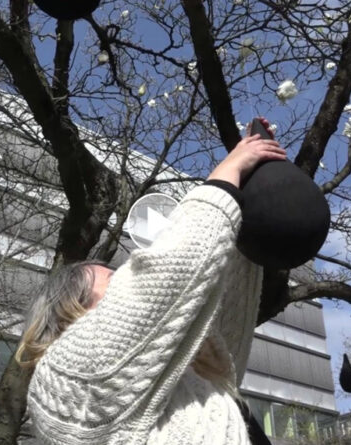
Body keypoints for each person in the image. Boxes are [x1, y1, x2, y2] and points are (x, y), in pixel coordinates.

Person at [16, 119, 286, 444]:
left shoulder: (184, 377)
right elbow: (170, 271)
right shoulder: (64, 377)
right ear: (71, 312)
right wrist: (228, 171)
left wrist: (251, 181)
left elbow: (223, 314)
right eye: (115, 283)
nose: (128, 284)